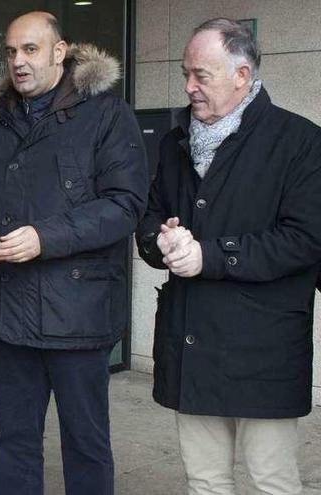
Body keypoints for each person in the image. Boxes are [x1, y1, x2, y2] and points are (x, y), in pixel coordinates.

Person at [0, 11, 147, 495]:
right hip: (10, 315)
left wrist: (46, 237)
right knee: (13, 442)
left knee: (85, 443)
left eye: (30, 49)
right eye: (11, 51)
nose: (17, 61)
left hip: (78, 314)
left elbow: (125, 205)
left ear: (60, 51)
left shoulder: (106, 114)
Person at [136, 18, 321, 495]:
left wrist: (209, 257)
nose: (189, 87)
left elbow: (304, 239)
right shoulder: (177, 143)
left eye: (201, 75)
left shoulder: (300, 142)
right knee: (205, 481)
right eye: (185, 74)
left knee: (272, 481)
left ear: (242, 75)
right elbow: (150, 218)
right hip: (192, 342)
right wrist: (164, 240)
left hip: (264, 349)